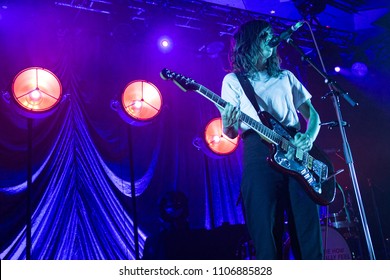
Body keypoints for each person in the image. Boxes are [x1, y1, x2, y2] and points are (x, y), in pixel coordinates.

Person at [220, 19, 323, 260]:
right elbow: (232, 133)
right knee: (266, 234)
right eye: (264, 35)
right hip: (259, 153)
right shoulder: (233, 81)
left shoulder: (286, 77)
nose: (271, 39)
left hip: (296, 152)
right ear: (251, 41)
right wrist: (227, 122)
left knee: (307, 232)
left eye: (271, 35)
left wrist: (308, 138)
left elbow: (314, 115)